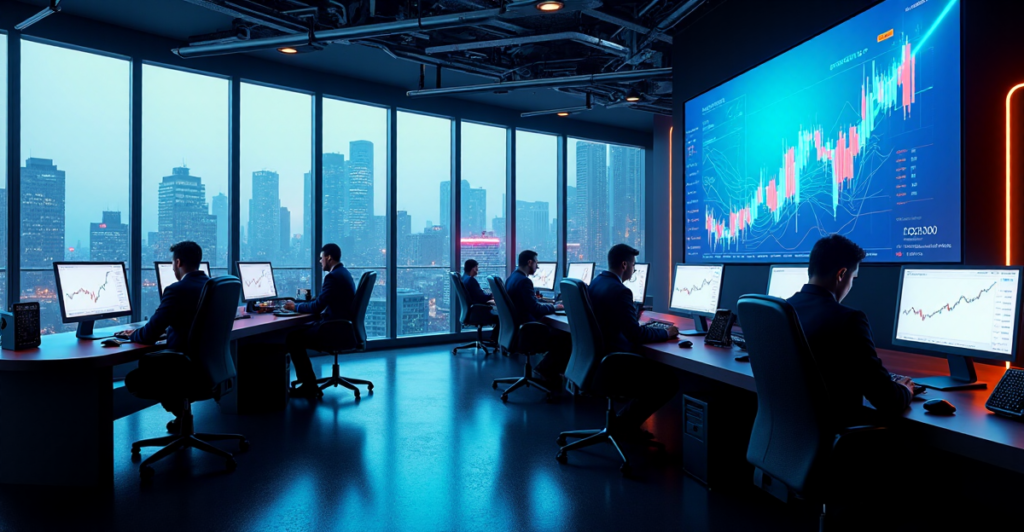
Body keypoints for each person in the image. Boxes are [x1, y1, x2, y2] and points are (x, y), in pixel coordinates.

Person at [787, 234, 916, 425]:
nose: (851, 285)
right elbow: (885, 398)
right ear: (841, 275)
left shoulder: (784, 309)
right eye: (853, 278)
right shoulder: (849, 320)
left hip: (787, 433)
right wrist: (905, 390)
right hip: (833, 438)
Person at [588, 243, 680, 438]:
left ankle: (623, 422)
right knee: (668, 380)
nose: (634, 269)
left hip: (596, 360)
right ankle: (626, 425)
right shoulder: (621, 291)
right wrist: (666, 333)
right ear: (624, 265)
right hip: (614, 363)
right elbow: (635, 335)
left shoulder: (595, 283)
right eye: (633, 265)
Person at [123, 241, 211, 422]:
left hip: (184, 368)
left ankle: (182, 416)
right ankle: (183, 417)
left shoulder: (176, 290)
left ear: (178, 263)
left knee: (135, 378)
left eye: (172, 263)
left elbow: (149, 335)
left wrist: (132, 334)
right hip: (211, 367)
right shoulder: (213, 286)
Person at [284, 243, 356, 398]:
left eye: (321, 257)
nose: (319, 261)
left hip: (333, 330)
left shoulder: (332, 277)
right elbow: (326, 300)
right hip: (343, 326)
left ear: (328, 258)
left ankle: (309, 385)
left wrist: (294, 307)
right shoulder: (344, 273)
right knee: (300, 333)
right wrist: (300, 304)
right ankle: (308, 383)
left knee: (293, 338)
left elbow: (317, 306)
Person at [505, 250, 569, 388]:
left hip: (516, 330)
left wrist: (547, 305)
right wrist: (555, 307)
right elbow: (535, 309)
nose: (537, 267)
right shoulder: (524, 281)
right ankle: (545, 370)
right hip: (527, 331)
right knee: (566, 337)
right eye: (536, 263)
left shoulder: (511, 278)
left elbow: (529, 305)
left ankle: (545, 369)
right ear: (529, 262)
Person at [462, 259, 500, 340]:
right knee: (501, 317)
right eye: (477, 268)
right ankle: (495, 340)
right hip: (477, 311)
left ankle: (494, 339)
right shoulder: (471, 280)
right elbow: (481, 297)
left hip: (470, 312)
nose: (478, 270)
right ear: (473, 268)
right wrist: (492, 295)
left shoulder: (464, 278)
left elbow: (476, 295)